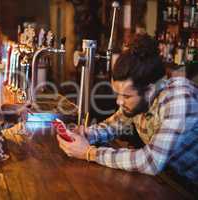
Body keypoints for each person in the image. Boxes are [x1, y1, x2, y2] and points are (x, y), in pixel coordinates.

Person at [57, 34, 198, 183]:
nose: (119, 102)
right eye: (117, 94)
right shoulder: (140, 100)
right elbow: (113, 126)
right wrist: (85, 136)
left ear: (149, 91)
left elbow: (151, 162)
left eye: (126, 96)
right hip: (173, 179)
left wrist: (89, 152)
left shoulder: (179, 99)